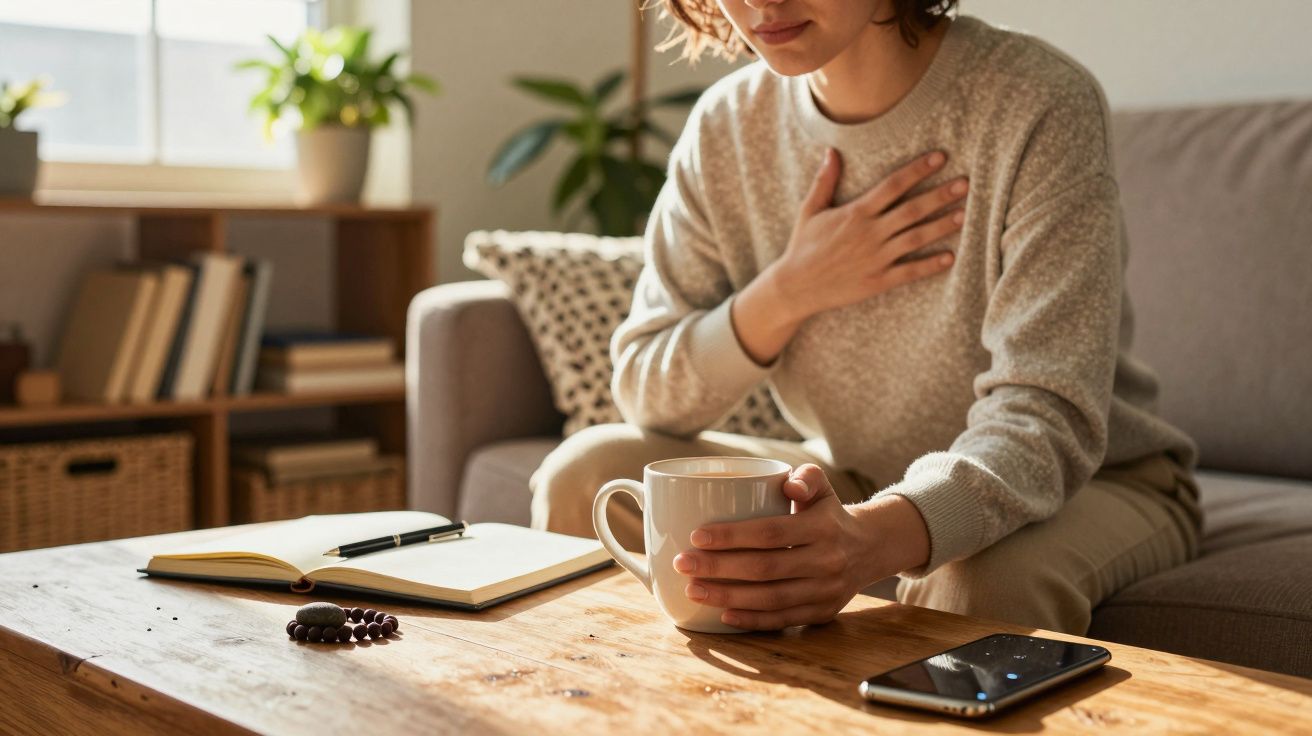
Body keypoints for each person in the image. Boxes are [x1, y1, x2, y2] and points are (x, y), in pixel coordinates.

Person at [529, 0, 1203, 636]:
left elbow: (1045, 413)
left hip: (1091, 480)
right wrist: (789, 290)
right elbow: (645, 387)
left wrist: (869, 538)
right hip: (859, 470)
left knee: (972, 583)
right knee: (585, 473)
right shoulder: (725, 127)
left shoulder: (1038, 100)